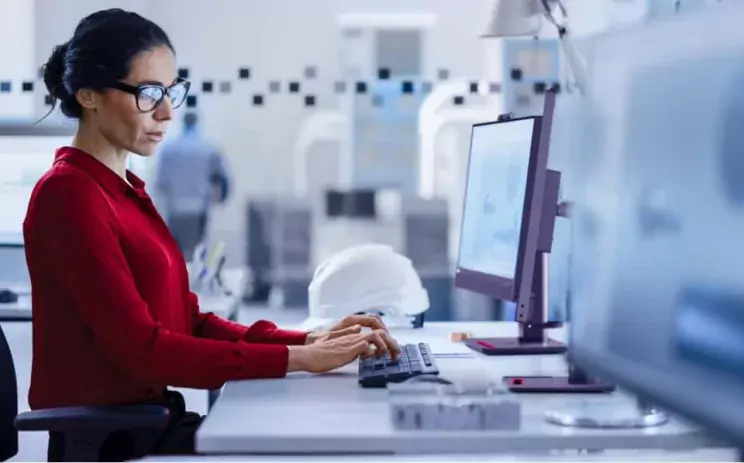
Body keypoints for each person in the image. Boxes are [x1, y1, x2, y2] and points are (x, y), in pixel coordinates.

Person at [26, 8, 399, 461]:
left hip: (150, 424)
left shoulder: (124, 190)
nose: (165, 112)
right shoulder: (68, 195)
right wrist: (298, 361)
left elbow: (190, 321)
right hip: (119, 442)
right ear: (88, 95)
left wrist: (308, 341)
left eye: (169, 92)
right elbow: (145, 352)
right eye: (147, 93)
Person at [154, 112, 229, 257]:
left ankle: (180, 278)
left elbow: (161, 183)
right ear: (197, 122)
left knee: (177, 252)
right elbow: (223, 179)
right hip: (199, 208)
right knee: (197, 252)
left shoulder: (169, 149)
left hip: (176, 209)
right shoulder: (209, 148)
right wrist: (220, 199)